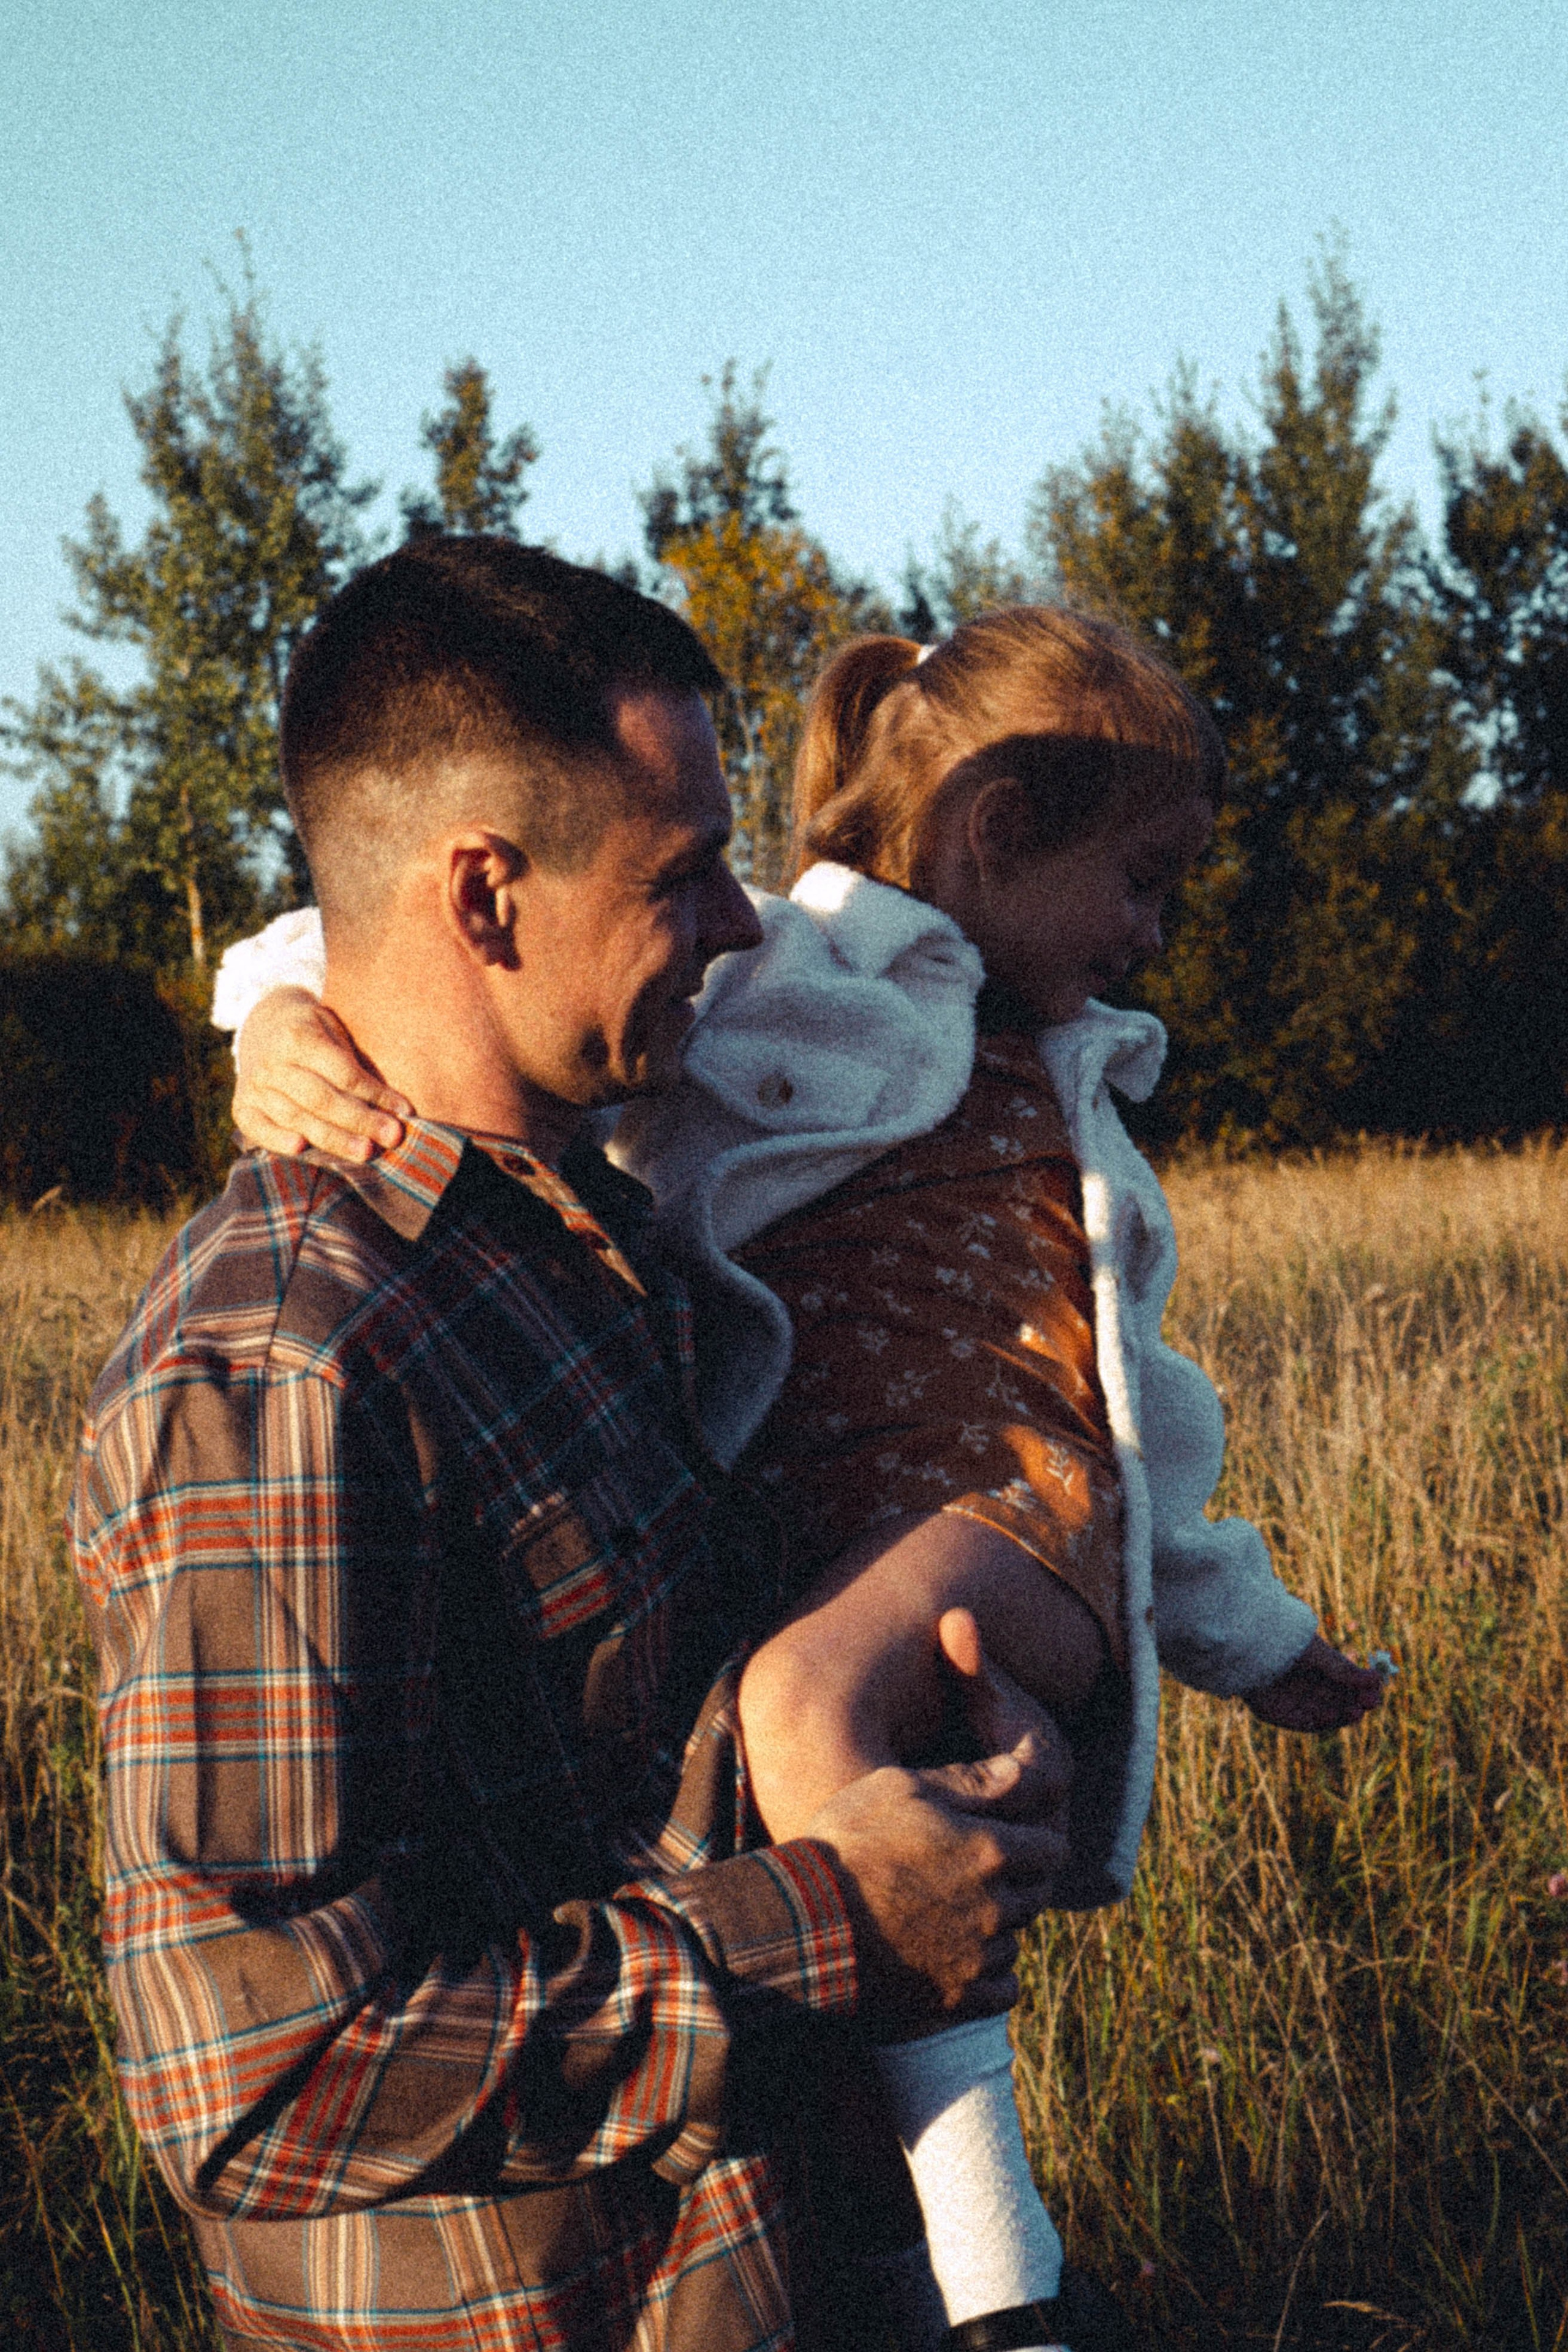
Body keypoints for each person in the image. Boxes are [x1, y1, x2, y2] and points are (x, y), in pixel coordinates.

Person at [222, 603, 1387, 2352]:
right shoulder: (787, 972)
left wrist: (1250, 1630)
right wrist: (269, 1021)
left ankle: (1009, 2282)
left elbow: (1142, 1400)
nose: (1156, 935)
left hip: (1018, 1508)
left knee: (794, 1696)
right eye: (1144, 879)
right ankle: (918, 2265)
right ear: (997, 835)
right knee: (786, 1776)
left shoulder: (1069, 1091)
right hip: (839, 1544)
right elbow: (377, 904)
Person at [71, 538, 1078, 2352]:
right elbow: (259, 2079)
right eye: (684, 874)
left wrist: (931, 1760)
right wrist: (838, 1916)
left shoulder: (587, 1229)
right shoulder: (282, 1368)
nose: (749, 926)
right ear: (484, 894)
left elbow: (646, 1766)